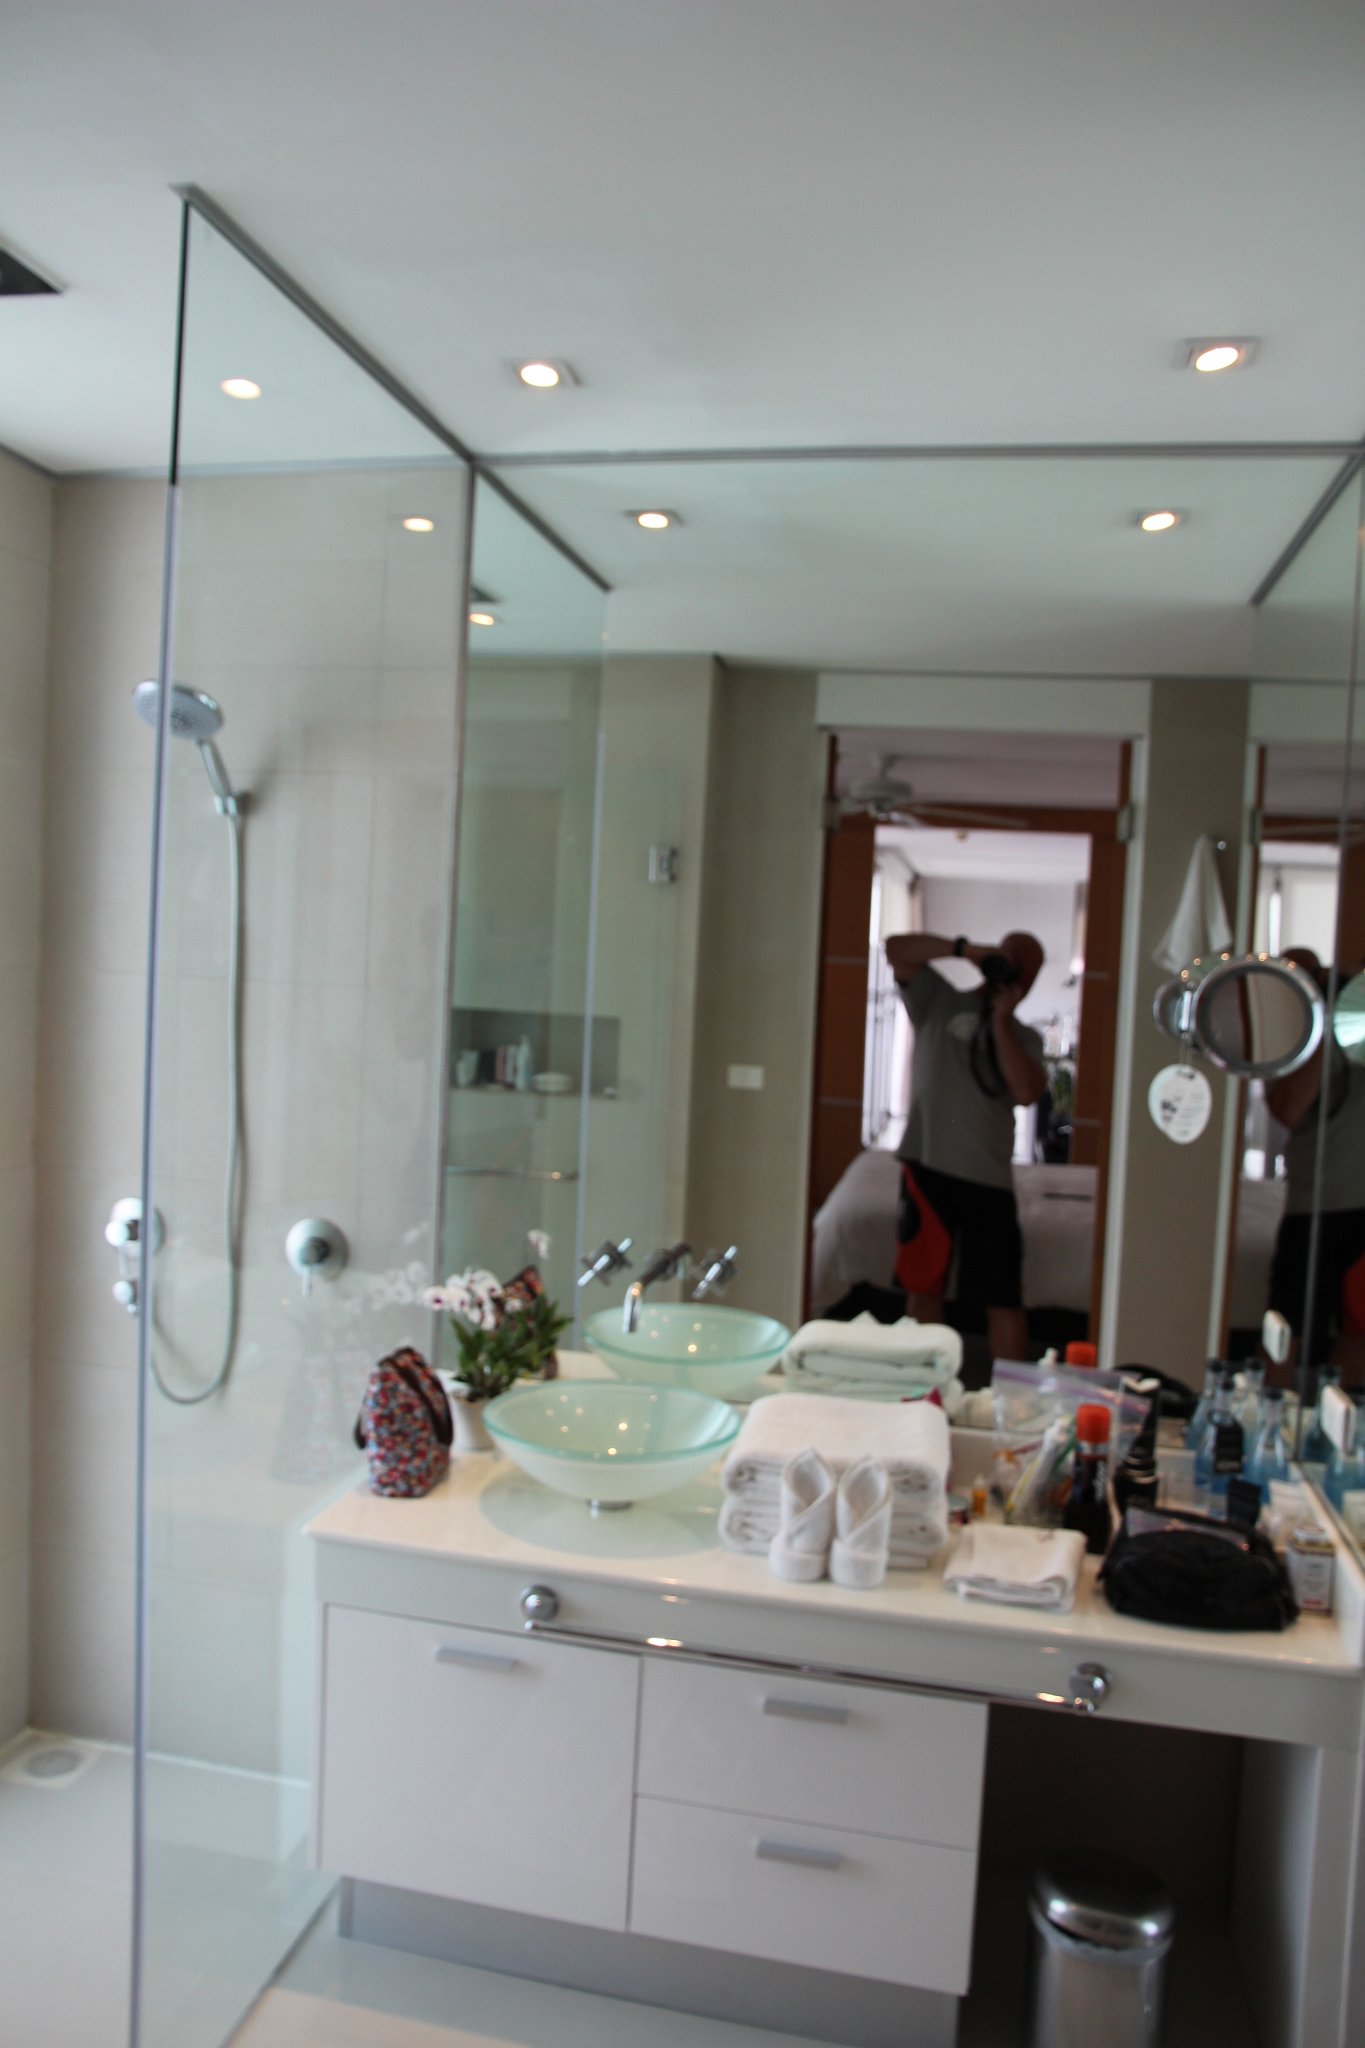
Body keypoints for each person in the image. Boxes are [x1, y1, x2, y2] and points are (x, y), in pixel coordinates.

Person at [884, 929, 1047, 1363]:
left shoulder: (1025, 1038)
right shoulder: (938, 999)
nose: (1016, 972)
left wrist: (1000, 1022)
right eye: (1011, 959)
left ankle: (1008, 1396)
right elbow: (895, 949)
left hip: (989, 1179)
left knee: (1003, 1297)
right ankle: (925, 1385)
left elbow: (1026, 1092)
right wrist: (965, 951)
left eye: (1026, 970)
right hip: (928, 1165)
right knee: (923, 1288)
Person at [1265, 948, 1365, 1389]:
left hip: (1359, 1203)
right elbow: (1287, 1109)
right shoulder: (1290, 1035)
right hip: (1313, 1207)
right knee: (1288, 1334)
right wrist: (1324, 1026)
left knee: (1358, 1331)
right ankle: (1272, 1416)